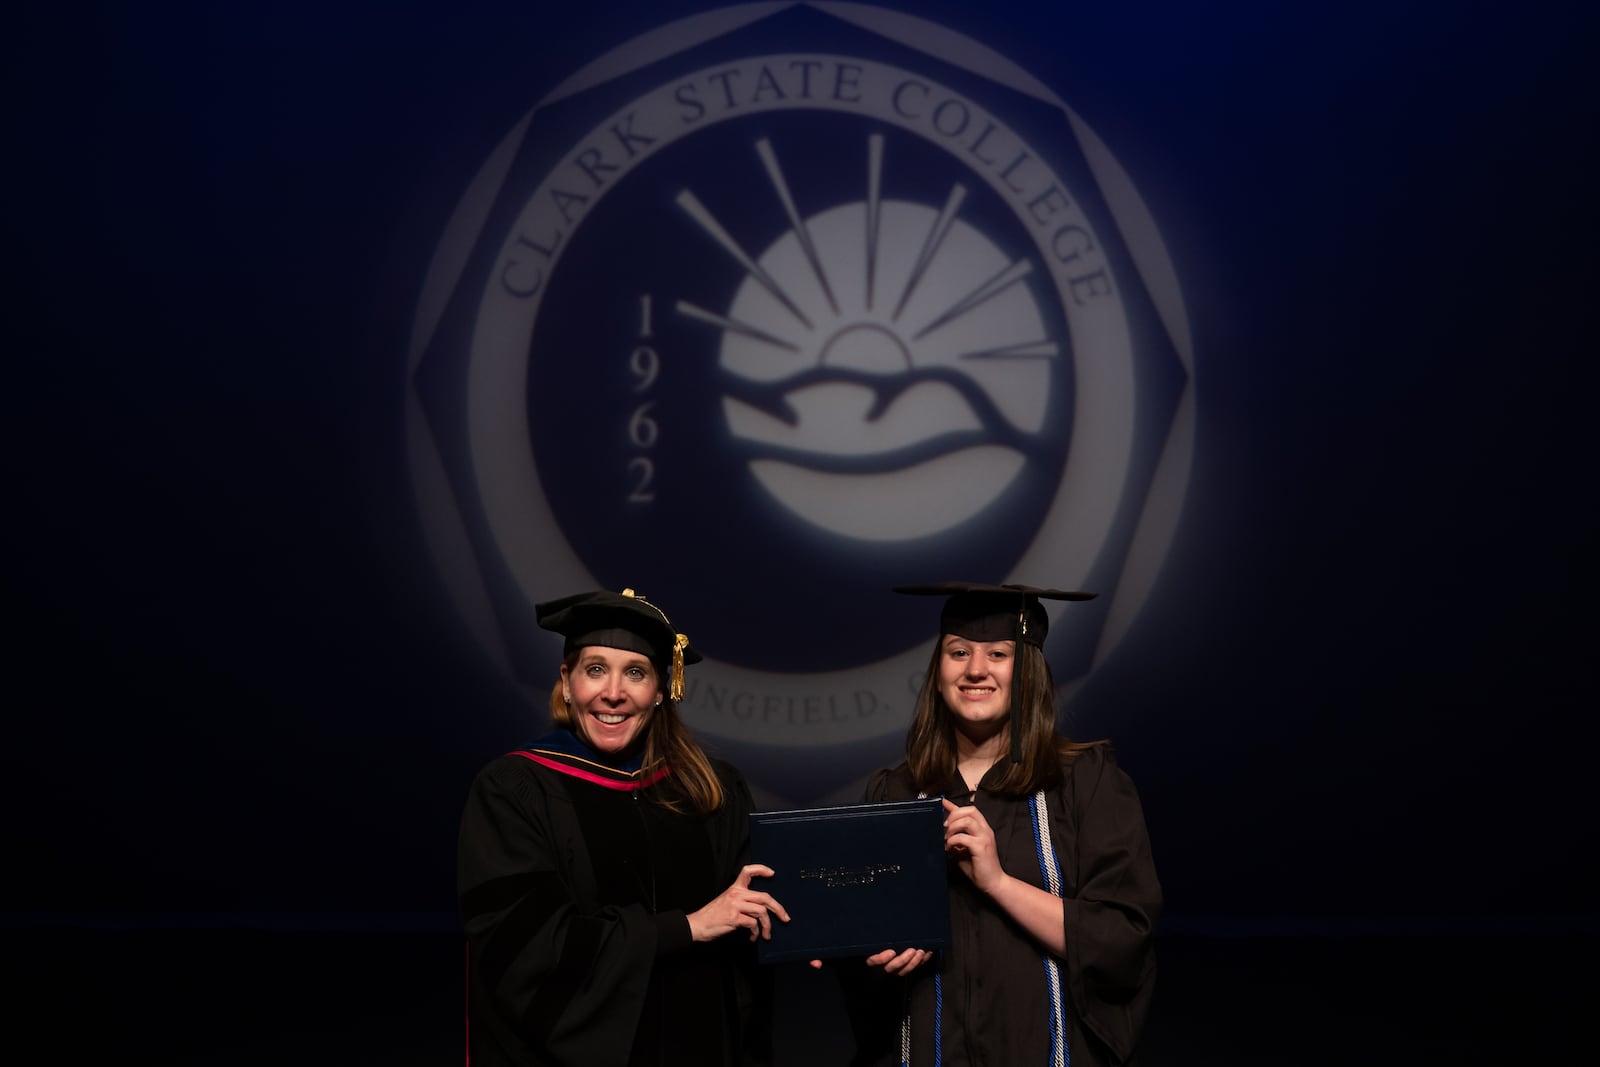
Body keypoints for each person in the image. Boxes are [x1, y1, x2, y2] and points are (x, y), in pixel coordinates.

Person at [458, 587, 789, 1067]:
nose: (613, 692)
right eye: (595, 670)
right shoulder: (514, 790)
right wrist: (688, 928)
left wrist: (812, 930)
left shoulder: (712, 790)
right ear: (566, 682)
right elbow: (525, 949)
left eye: (635, 673)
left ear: (661, 690)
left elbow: (757, 922)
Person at [845, 582, 1161, 1067]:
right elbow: (862, 946)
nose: (975, 670)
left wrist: (997, 883)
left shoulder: (1085, 783)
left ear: (1028, 671)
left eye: (998, 654)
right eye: (958, 652)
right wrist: (870, 951)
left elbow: (1121, 938)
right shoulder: (897, 793)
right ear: (938, 671)